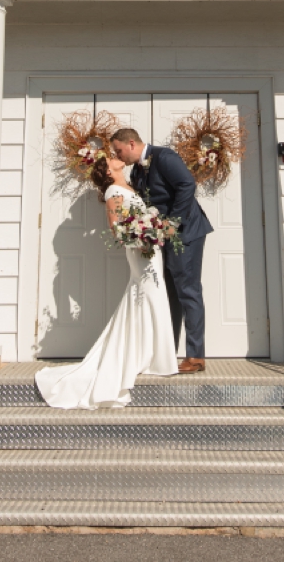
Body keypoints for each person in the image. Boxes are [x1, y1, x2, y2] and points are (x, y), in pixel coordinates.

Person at [34, 152, 178, 408]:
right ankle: (151, 357)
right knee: (149, 296)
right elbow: (116, 228)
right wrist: (143, 235)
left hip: (150, 250)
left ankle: (148, 355)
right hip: (140, 250)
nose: (116, 157)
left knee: (149, 297)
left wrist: (153, 229)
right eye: (111, 158)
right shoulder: (113, 191)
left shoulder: (129, 185)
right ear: (109, 170)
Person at [110, 128, 212, 374]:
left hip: (186, 234)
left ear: (131, 143)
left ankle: (196, 356)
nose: (119, 156)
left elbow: (187, 185)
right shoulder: (137, 169)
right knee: (170, 293)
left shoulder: (164, 157)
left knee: (188, 290)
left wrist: (172, 222)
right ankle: (169, 351)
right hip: (162, 238)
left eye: (120, 150)